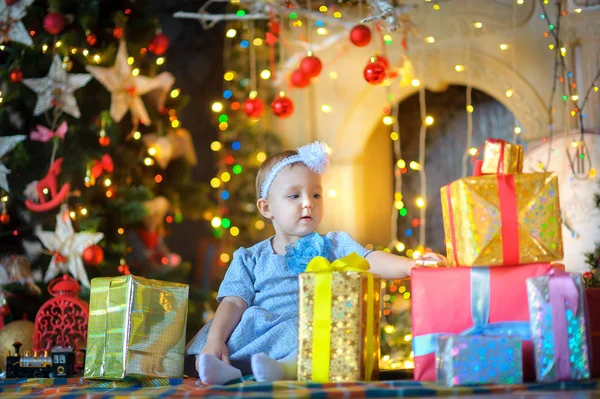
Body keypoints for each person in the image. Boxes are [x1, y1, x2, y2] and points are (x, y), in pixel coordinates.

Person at [186, 141, 444, 385]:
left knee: (311, 331)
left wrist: (412, 264)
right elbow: (233, 301)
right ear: (266, 208)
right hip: (259, 330)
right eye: (294, 196)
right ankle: (224, 367)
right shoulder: (250, 257)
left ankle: (285, 368)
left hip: (309, 328)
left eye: (316, 194)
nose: (308, 202)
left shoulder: (332, 245)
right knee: (228, 337)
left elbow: (369, 260)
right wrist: (215, 339)